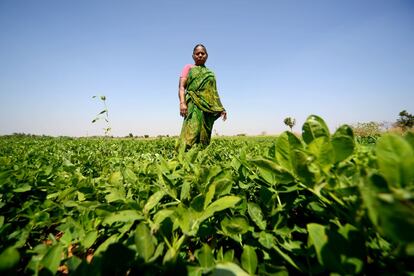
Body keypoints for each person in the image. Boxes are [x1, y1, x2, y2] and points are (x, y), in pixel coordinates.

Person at [176, 44, 227, 150]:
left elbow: (214, 93)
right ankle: (183, 156)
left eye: (202, 53)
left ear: (207, 55)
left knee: (204, 133)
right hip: (192, 105)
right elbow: (181, 87)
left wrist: (221, 108)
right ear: (193, 56)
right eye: (197, 53)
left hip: (206, 108)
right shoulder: (188, 68)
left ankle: (200, 157)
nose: (200, 55)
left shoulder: (210, 73)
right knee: (191, 131)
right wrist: (182, 103)